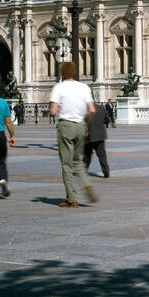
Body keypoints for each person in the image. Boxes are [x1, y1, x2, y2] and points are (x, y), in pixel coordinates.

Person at [49, 61, 98, 207]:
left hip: (66, 125)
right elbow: (92, 110)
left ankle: (71, 198)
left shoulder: (59, 87)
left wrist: (56, 109)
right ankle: (87, 184)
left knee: (67, 164)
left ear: (62, 73)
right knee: (77, 161)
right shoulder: (84, 87)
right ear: (75, 72)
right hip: (80, 125)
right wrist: (86, 123)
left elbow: (52, 111)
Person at [83, 97, 110, 179]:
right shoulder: (101, 108)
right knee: (102, 155)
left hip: (88, 136)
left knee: (87, 155)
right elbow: (107, 120)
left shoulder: (83, 109)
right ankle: (106, 171)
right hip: (100, 136)